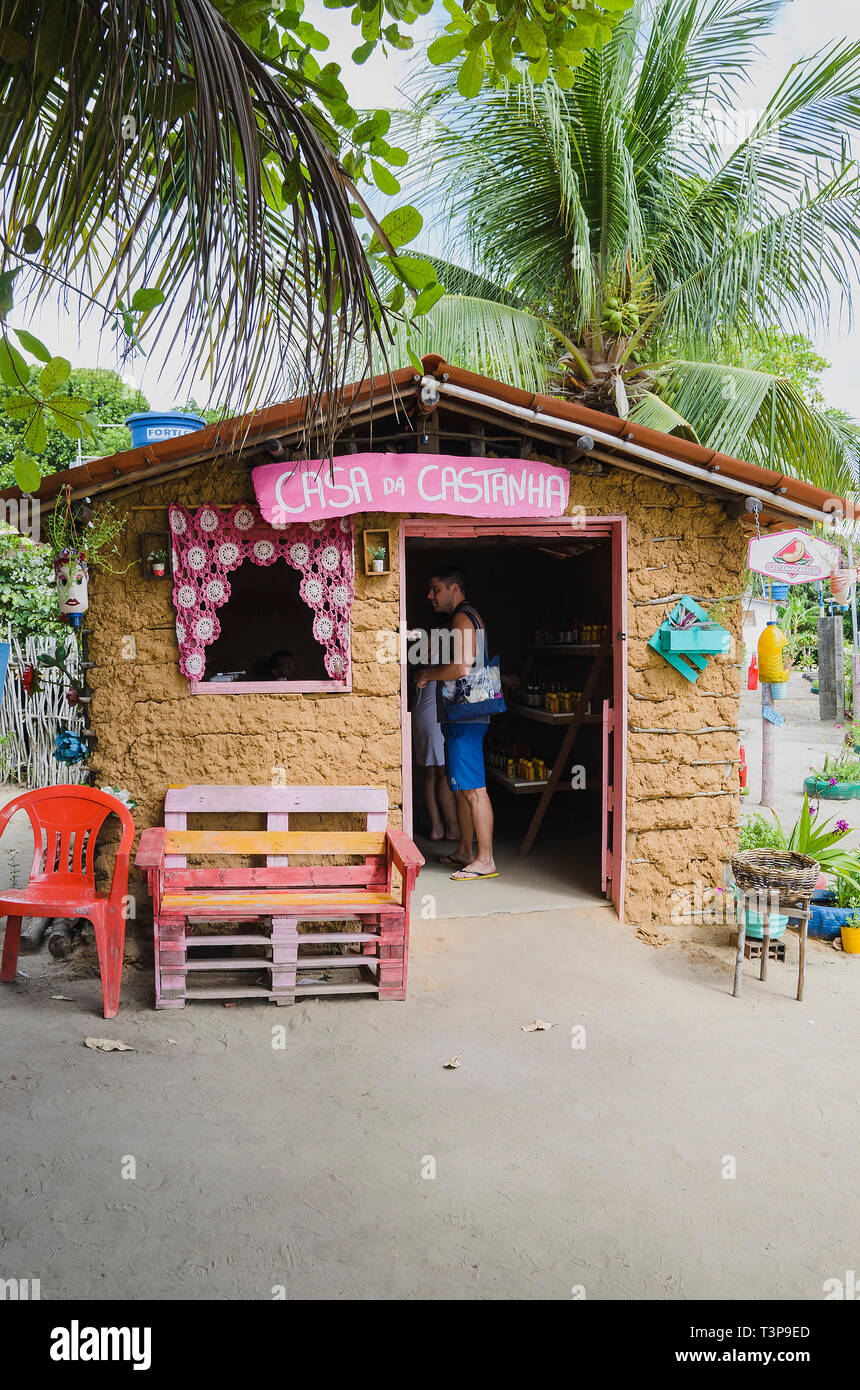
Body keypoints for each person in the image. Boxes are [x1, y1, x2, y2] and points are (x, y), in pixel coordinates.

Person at [415, 567, 498, 881]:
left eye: (435, 589)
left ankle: (486, 859)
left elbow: (462, 667)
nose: (430, 596)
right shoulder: (466, 618)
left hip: (467, 713)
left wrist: (427, 674)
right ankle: (466, 850)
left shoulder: (464, 618)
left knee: (474, 788)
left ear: (453, 588)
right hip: (464, 713)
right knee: (462, 785)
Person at [411, 677, 460, 842]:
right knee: (444, 772)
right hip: (433, 710)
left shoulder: (424, 655)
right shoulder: (441, 653)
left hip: (423, 707)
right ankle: (453, 829)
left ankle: (437, 827)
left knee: (432, 772)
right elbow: (457, 670)